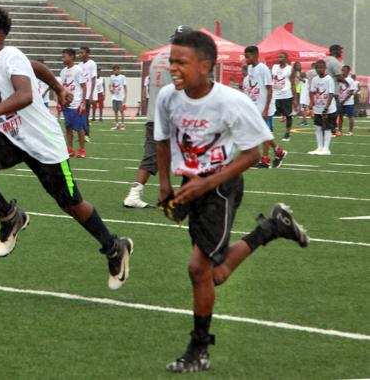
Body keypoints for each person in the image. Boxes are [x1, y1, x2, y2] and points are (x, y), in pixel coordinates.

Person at [156, 29, 309, 374]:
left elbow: (252, 153)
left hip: (220, 188)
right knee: (215, 274)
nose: (173, 68)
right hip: (188, 185)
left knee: (198, 270)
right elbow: (163, 140)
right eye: (171, 61)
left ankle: (199, 349)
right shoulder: (167, 97)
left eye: (182, 62)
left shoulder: (230, 101)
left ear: (206, 65)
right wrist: (165, 185)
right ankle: (271, 228)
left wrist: (207, 182)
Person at [0, 6, 133, 290]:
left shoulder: (10, 55)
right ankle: (10, 216)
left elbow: (25, 95)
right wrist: (57, 86)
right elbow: (34, 67)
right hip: (12, 137)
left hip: (44, 144)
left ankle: (115, 246)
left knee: (72, 205)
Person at [123, 36, 173, 209]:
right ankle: (134, 195)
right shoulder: (181, 59)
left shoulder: (158, 58)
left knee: (157, 157)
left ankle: (137, 194)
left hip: (154, 116)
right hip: (170, 118)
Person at [243, 46, 286, 168]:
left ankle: (265, 159)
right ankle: (278, 151)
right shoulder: (250, 68)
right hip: (255, 106)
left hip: (264, 106)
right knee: (262, 132)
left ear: (256, 55)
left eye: (248, 56)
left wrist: (266, 109)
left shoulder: (263, 69)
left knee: (262, 132)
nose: (246, 59)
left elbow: (270, 89)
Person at [60, 48, 88, 158]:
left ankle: (82, 150)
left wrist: (83, 102)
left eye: (64, 56)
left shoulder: (78, 70)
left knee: (79, 128)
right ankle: (70, 149)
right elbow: (62, 88)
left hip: (76, 104)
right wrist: (61, 101)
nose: (62, 58)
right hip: (66, 104)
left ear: (71, 57)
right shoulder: (63, 71)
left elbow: (84, 86)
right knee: (68, 127)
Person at [308, 59, 337, 155]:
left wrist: (326, 107)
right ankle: (319, 147)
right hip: (318, 108)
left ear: (325, 68)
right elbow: (312, 92)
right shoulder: (314, 79)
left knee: (327, 128)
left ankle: (326, 148)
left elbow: (331, 94)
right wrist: (311, 103)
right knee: (318, 127)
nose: (319, 69)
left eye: (321, 68)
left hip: (328, 109)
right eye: (317, 68)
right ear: (315, 69)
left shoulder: (329, 79)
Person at [270, 52, 295, 141]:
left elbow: (292, 83)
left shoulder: (290, 69)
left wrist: (294, 98)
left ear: (286, 58)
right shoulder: (274, 67)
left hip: (286, 95)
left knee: (288, 115)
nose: (279, 58)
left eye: (281, 57)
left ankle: (287, 134)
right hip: (275, 95)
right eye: (278, 57)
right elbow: (271, 79)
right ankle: (270, 131)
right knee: (272, 113)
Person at [78, 46, 97, 138]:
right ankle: (82, 135)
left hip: (87, 95)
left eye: (82, 52)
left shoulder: (92, 63)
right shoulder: (79, 65)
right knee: (80, 116)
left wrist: (91, 94)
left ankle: (87, 135)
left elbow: (93, 79)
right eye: (80, 53)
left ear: (87, 53)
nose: (80, 54)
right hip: (80, 95)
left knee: (85, 116)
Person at [337, 65, 357, 136]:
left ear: (348, 71)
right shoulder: (340, 80)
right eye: (342, 70)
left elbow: (351, 92)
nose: (342, 72)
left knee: (351, 117)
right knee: (340, 116)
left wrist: (344, 100)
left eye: (344, 70)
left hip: (349, 102)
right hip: (341, 101)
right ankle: (339, 131)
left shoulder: (351, 80)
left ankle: (350, 132)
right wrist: (340, 100)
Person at [109, 65, 127, 130]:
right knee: (115, 111)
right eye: (114, 70)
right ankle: (117, 125)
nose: (115, 71)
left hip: (120, 96)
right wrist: (110, 90)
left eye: (117, 69)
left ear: (119, 70)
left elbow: (125, 87)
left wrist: (125, 96)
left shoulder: (122, 77)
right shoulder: (111, 77)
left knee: (121, 111)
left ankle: (122, 125)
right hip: (114, 96)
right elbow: (110, 85)